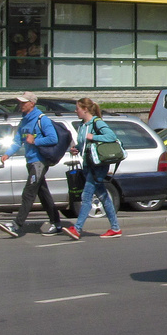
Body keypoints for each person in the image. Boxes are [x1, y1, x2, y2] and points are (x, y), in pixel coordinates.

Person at [0, 92, 63, 237]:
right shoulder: (24, 121)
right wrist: (7, 154)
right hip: (30, 162)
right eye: (20, 102)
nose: (20, 105)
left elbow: (53, 138)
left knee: (29, 192)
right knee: (43, 194)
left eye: (23, 103)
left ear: (32, 103)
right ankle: (57, 223)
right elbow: (17, 141)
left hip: (39, 162)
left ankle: (16, 225)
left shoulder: (41, 120)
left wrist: (35, 141)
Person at [62, 97, 122, 240]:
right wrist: (76, 149)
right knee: (103, 196)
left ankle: (77, 229)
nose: (75, 111)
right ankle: (115, 228)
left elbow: (111, 136)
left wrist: (93, 137)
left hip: (98, 165)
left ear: (85, 109)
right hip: (88, 164)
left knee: (86, 196)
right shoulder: (82, 125)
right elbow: (83, 143)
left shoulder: (97, 122)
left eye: (77, 108)